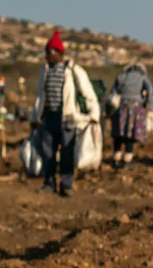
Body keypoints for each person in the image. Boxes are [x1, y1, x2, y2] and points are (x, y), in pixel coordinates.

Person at [32, 30, 101, 197]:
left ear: (59, 53)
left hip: (68, 118)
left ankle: (66, 184)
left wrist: (94, 115)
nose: (47, 55)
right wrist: (35, 117)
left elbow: (87, 93)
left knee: (67, 153)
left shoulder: (73, 71)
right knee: (48, 152)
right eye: (46, 52)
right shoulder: (45, 70)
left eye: (50, 52)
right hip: (49, 117)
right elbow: (40, 95)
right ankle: (49, 183)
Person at [109, 63, 151, 167]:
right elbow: (150, 89)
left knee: (118, 133)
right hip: (135, 108)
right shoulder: (142, 78)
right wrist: (146, 102)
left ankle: (116, 158)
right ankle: (127, 160)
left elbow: (113, 92)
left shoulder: (121, 77)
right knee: (130, 133)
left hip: (121, 106)